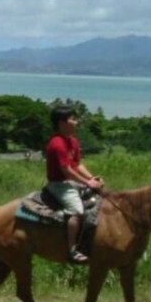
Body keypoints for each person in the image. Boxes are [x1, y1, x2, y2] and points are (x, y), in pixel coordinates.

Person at [45, 105, 105, 264]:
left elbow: (78, 164)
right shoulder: (57, 144)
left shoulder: (73, 141)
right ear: (62, 123)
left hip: (71, 181)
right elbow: (67, 171)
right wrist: (88, 183)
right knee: (77, 210)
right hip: (59, 184)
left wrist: (93, 178)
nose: (77, 122)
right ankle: (72, 249)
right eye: (73, 119)